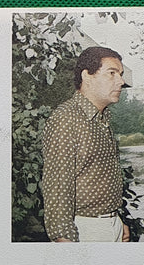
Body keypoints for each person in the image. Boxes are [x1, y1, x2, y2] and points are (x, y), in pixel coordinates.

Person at [42, 46, 130, 243]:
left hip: (111, 224)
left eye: (121, 74)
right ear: (87, 76)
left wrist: (116, 221)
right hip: (84, 230)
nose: (121, 81)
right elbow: (57, 189)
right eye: (112, 73)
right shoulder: (66, 119)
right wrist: (64, 239)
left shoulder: (102, 118)